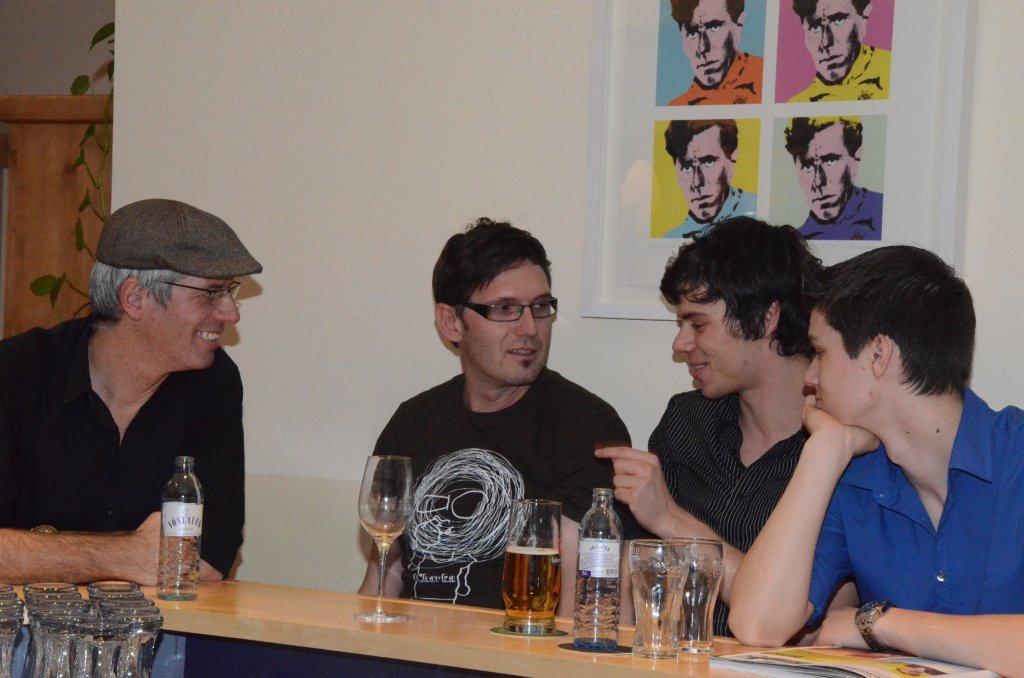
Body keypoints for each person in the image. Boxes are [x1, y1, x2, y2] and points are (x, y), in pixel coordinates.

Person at [730, 247, 1024, 675]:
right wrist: (824, 450)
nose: (809, 378)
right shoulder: (854, 479)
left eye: (820, 353)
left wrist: (878, 624)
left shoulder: (1016, 454)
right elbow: (757, 624)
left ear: (879, 354)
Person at [359, 218, 644, 614]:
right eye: (505, 309)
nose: (530, 329)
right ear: (451, 322)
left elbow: (579, 607)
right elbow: (384, 576)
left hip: (518, 646)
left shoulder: (586, 425)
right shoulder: (413, 422)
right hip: (412, 643)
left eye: (541, 307)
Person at [598, 217, 856, 637]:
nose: (680, 345)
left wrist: (672, 520)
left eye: (698, 325)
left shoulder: (842, 448)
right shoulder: (686, 421)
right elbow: (636, 582)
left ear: (766, 318)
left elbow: (813, 629)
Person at [0, 198, 260, 584]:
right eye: (210, 293)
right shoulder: (18, 372)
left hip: (152, 621)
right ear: (135, 298)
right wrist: (128, 554)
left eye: (229, 292)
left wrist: (40, 552)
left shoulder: (213, 382)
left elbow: (210, 557)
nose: (231, 313)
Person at [784, 116, 883, 240]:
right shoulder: (796, 241)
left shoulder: (884, 210)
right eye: (807, 166)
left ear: (856, 158)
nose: (819, 182)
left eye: (831, 160)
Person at [662, 120, 756, 239]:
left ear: (732, 159)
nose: (697, 182)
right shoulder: (671, 237)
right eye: (686, 167)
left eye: (708, 162)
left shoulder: (758, 212)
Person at [788, 0, 891, 102]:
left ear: (863, 19)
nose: (825, 42)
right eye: (815, 27)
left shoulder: (892, 69)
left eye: (839, 20)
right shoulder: (798, 105)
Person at [668, 0, 763, 106]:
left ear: (738, 26)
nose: (703, 48)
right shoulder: (677, 108)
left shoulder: (767, 75)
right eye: (692, 33)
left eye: (714, 27)